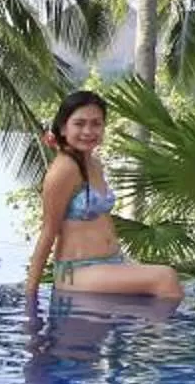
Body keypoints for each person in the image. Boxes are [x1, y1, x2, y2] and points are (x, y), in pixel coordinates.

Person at [24, 90, 182, 303]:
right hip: (76, 272)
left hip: (110, 264)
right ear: (63, 128)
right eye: (79, 124)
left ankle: (152, 336)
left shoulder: (94, 164)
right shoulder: (63, 170)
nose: (88, 131)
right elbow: (48, 231)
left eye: (96, 124)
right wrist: (30, 297)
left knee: (162, 287)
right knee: (165, 278)